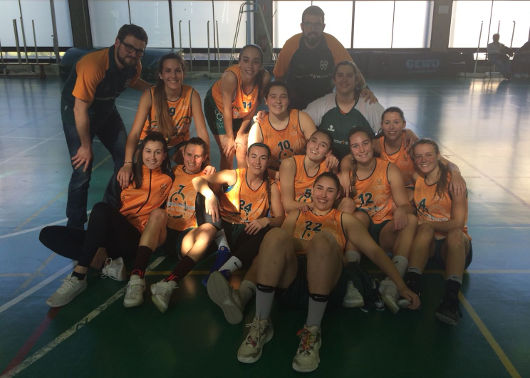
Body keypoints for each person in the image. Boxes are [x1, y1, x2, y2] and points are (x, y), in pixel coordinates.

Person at [236, 173, 420, 373]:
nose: (323, 195)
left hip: (327, 285)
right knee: (275, 235)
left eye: (330, 190)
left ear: (337, 195)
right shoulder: (296, 215)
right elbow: (277, 249)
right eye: (319, 188)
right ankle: (260, 323)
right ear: (312, 190)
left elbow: (375, 252)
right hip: (292, 283)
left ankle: (312, 332)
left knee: (323, 241)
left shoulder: (344, 219)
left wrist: (401, 286)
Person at [41, 132, 173, 307]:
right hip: (111, 235)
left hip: (133, 239)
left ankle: (79, 275)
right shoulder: (127, 174)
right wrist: (101, 244)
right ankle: (107, 264)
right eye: (148, 151)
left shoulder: (169, 178)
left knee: (100, 209)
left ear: (164, 155)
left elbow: (190, 171)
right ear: (141, 152)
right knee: (47, 234)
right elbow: (109, 205)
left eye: (158, 152)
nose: (152, 157)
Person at [61, 24, 152, 229]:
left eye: (139, 51)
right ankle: (74, 225)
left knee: (126, 158)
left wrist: (156, 89)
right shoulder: (93, 65)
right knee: (82, 169)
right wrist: (85, 146)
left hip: (106, 108)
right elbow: (80, 110)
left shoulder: (134, 65)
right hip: (78, 111)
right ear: (117, 42)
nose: (134, 54)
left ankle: (113, 211)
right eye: (129, 48)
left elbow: (133, 82)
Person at [120, 138, 217, 311]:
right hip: (162, 233)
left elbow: (204, 183)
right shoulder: (172, 172)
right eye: (189, 154)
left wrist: (209, 192)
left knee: (209, 230)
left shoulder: (209, 177)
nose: (192, 160)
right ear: (182, 154)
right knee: (157, 213)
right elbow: (151, 163)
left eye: (197, 156)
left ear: (205, 158)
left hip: (185, 236)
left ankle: (168, 284)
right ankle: (137, 278)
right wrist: (127, 166)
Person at [192, 143, 284, 323]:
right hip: (222, 227)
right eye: (254, 156)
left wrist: (266, 220)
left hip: (246, 232)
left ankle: (224, 271)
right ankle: (222, 250)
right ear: (247, 158)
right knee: (202, 195)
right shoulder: (234, 175)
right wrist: (210, 196)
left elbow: (280, 218)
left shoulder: (271, 186)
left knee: (267, 230)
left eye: (263, 158)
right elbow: (198, 181)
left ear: (268, 162)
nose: (257, 162)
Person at [339, 126, 417, 313]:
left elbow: (405, 204)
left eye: (365, 143)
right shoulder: (347, 174)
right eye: (355, 146)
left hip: (384, 230)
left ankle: (392, 282)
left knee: (411, 220)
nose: (362, 149)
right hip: (360, 233)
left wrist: (403, 209)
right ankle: (352, 280)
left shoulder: (389, 169)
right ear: (350, 150)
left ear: (373, 144)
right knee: (356, 215)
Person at [402, 139, 472, 325]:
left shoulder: (454, 182)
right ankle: (412, 286)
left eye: (428, 155)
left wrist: (456, 172)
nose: (423, 159)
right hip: (430, 246)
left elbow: (457, 223)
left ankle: (450, 300)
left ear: (438, 157)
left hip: (454, 246)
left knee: (454, 234)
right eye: (418, 156)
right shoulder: (417, 179)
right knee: (424, 229)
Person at [117, 53, 210, 189]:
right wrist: (127, 164)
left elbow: (202, 132)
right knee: (137, 177)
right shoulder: (150, 95)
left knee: (194, 161)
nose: (173, 75)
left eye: (178, 71)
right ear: (161, 75)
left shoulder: (191, 95)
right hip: (152, 146)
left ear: (183, 73)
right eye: (168, 71)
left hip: (178, 145)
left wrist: (206, 162)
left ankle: (186, 196)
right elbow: (135, 134)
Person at [273, 6, 374, 109]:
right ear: (302, 26)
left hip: (323, 102)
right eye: (308, 24)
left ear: (323, 27)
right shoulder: (291, 44)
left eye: (317, 24)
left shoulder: (333, 44)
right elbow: (279, 77)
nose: (312, 29)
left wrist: (365, 89)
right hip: (295, 102)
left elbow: (352, 69)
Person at [204, 45, 271, 170]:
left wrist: (240, 132)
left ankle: (242, 182)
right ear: (239, 62)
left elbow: (254, 106)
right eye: (245, 60)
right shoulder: (230, 77)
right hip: (217, 107)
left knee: (242, 147)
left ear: (261, 65)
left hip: (241, 108)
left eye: (255, 62)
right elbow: (227, 110)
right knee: (228, 150)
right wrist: (230, 138)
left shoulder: (264, 78)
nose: (250, 66)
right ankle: (225, 186)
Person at [304, 60, 384, 161]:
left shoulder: (369, 104)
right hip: (328, 165)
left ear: (356, 80)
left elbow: (390, 129)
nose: (344, 79)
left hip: (360, 165)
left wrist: (407, 133)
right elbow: (297, 121)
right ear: (334, 80)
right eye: (340, 75)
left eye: (349, 75)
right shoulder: (322, 104)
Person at [247, 81, 317, 171]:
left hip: (303, 171)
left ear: (288, 100)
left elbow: (318, 146)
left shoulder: (301, 118)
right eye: (273, 97)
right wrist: (276, 175)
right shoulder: (258, 128)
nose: (278, 101)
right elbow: (252, 164)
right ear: (266, 100)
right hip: (274, 175)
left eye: (283, 97)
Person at [278, 130, 335, 213]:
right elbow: (288, 206)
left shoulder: (328, 166)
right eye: (313, 141)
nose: (316, 147)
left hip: (315, 213)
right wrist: (317, 206)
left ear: (328, 152)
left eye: (323, 145)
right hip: (292, 214)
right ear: (307, 143)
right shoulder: (290, 164)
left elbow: (333, 198)